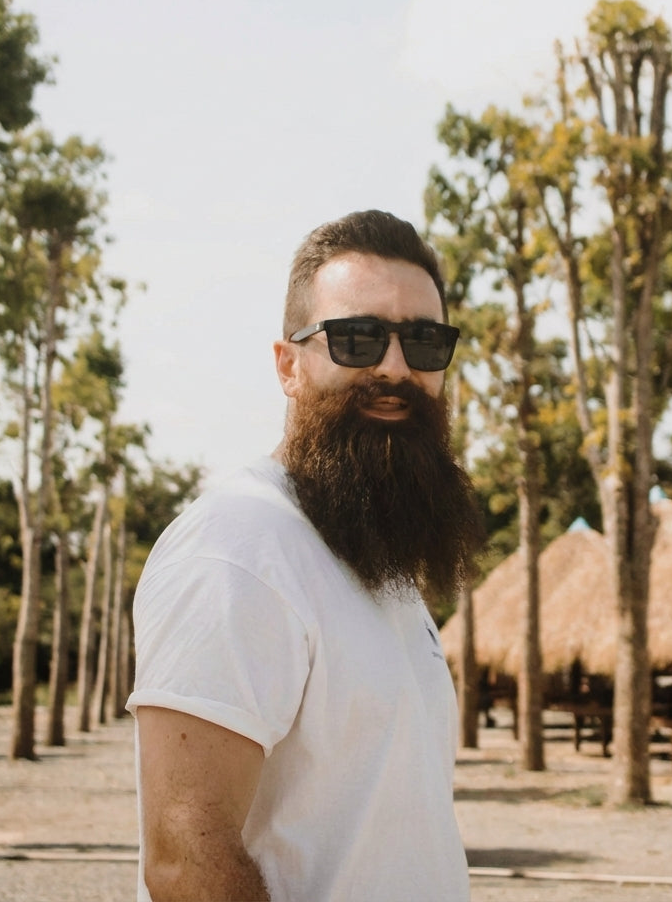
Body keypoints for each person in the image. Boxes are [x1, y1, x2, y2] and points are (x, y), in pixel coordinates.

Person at [126, 209, 486, 902]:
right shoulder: (237, 548)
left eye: (423, 342)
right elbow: (184, 860)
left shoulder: (376, 560)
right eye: (356, 338)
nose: (394, 368)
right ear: (288, 366)